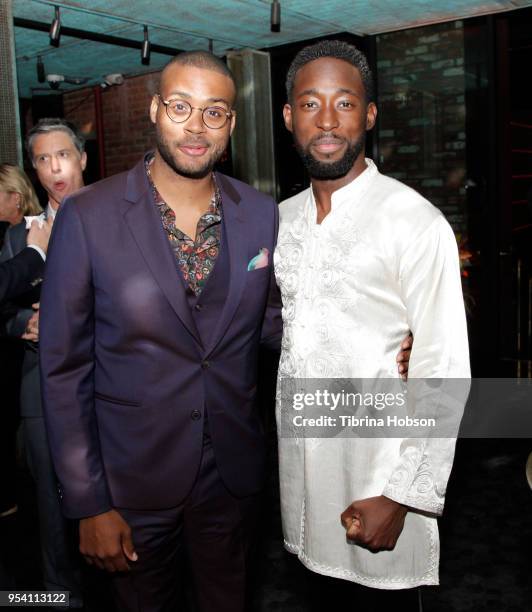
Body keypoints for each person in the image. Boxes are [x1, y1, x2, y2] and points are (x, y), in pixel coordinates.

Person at [38, 51, 282, 612]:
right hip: (128, 488)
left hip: (232, 479)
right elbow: (64, 370)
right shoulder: (89, 215)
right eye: (180, 107)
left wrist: (375, 342)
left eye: (214, 112)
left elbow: (270, 326)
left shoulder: (259, 213)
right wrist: (88, 503)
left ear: (232, 124)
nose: (196, 127)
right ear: (154, 109)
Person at [274, 40, 470, 610]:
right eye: (310, 104)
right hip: (303, 489)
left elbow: (444, 367)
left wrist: (402, 497)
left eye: (346, 103)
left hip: (379, 483)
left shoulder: (414, 222)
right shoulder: (281, 222)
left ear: (370, 114)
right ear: (289, 118)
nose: (328, 120)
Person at [0, 118, 87, 606]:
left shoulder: (118, 218)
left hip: (106, 384)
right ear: (33, 170)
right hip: (39, 389)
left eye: (63, 155)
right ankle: (60, 597)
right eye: (42, 159)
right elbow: (3, 310)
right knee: (51, 510)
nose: (55, 168)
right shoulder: (20, 238)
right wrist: (20, 326)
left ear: (82, 159)